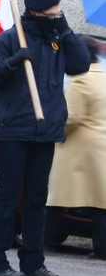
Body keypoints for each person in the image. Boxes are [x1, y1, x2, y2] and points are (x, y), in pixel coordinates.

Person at [0, 0, 89, 276]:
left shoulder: (56, 39)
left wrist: (64, 29)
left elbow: (80, 65)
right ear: (36, 13)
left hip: (45, 130)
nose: (56, 18)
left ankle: (33, 262)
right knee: (8, 196)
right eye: (52, 15)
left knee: (38, 200)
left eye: (59, 14)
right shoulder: (10, 39)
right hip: (13, 131)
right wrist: (12, 62)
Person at [47, 35, 106, 261]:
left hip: (79, 149)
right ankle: (102, 247)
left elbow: (71, 117)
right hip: (100, 149)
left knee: (55, 196)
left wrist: (53, 130)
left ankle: (46, 238)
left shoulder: (81, 79)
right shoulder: (103, 77)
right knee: (100, 203)